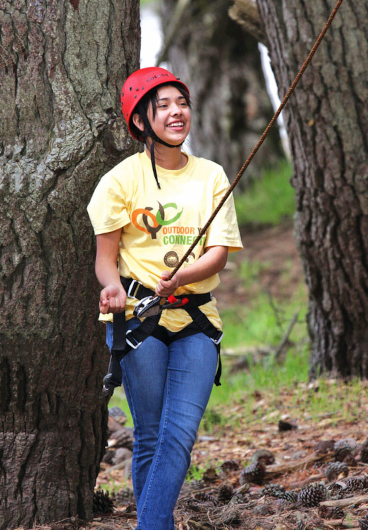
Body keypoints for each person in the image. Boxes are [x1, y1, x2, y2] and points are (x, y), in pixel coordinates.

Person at [87, 66, 242, 530]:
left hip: (196, 319)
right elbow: (105, 259)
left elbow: (218, 256)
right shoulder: (120, 181)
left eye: (182, 103)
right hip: (138, 322)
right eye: (163, 106)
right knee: (151, 436)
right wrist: (112, 287)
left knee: (177, 434)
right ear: (140, 122)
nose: (177, 112)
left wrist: (184, 275)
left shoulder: (211, 176)